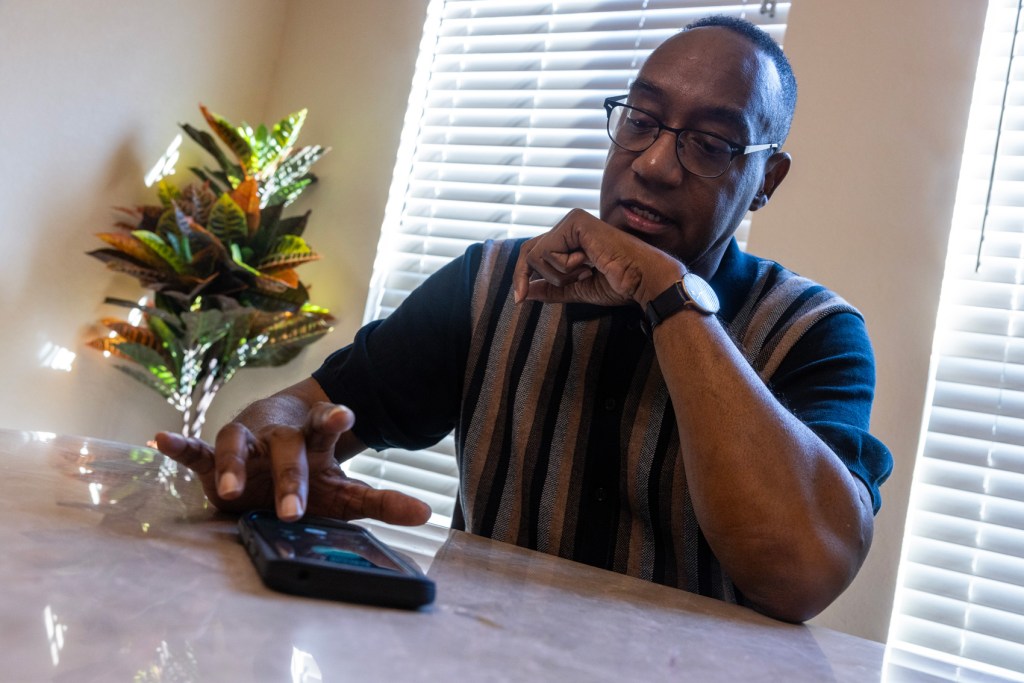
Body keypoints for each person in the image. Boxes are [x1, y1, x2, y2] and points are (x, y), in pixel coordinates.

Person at [156, 15, 892, 623]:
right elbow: (297, 409)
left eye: (709, 144)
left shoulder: (813, 332)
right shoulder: (492, 284)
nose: (654, 164)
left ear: (766, 180)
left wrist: (669, 296)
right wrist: (268, 454)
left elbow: (804, 573)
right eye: (641, 121)